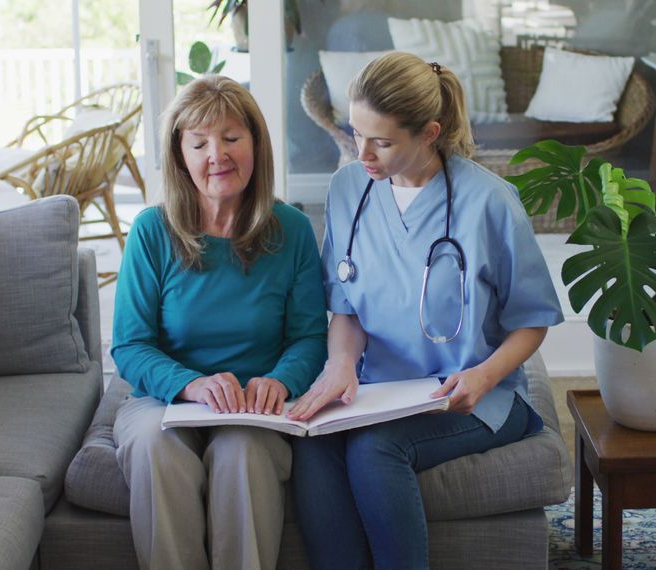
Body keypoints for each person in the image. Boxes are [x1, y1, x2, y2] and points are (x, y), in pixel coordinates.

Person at [287, 52, 564, 569]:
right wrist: (341, 363)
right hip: (378, 391)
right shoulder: (349, 188)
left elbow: (532, 320)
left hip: (473, 397)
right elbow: (346, 306)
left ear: (429, 132)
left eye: (382, 141)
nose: (362, 152)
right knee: (313, 444)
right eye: (355, 132)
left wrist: (482, 376)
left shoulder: (490, 202)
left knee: (374, 449)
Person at [110, 75, 327, 570]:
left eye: (231, 138)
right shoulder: (151, 230)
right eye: (200, 141)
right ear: (179, 153)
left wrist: (281, 379)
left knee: (243, 453)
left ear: (255, 144)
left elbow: (310, 336)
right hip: (165, 399)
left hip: (256, 405)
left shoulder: (291, 229)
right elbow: (129, 345)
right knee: (154, 448)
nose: (217, 155)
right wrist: (191, 385)